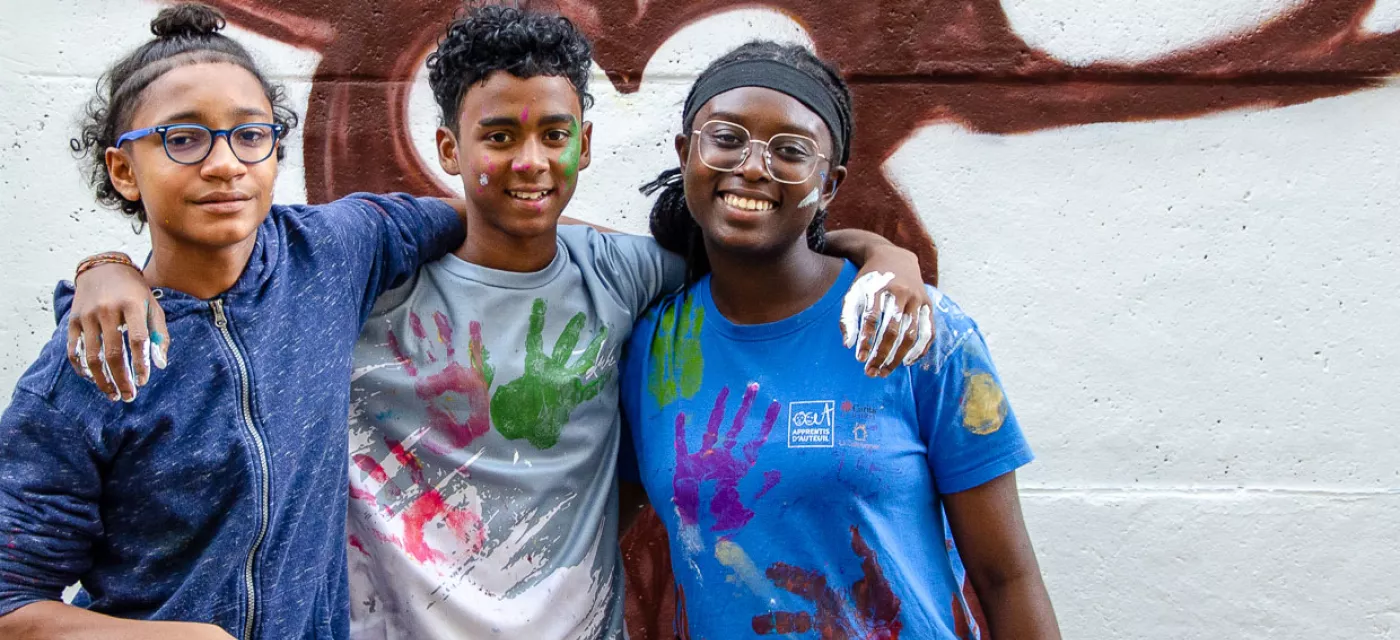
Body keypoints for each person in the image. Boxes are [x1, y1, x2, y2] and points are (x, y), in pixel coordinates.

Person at [59, 6, 934, 640]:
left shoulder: (629, 275)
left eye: (555, 134)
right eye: (498, 136)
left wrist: (884, 258)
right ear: (450, 151)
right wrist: (106, 269)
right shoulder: (363, 280)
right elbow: (222, 280)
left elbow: (764, 252)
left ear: (585, 145)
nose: (529, 161)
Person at [0, 5, 472, 639]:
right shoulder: (92, 363)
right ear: (123, 170)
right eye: (183, 139)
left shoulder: (331, 252)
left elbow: (496, 218)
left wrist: (646, 257)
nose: (225, 163)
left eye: (251, 134)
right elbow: (12, 604)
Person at [621, 41, 1062, 638]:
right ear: (685, 153)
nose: (752, 166)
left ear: (828, 185)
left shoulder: (917, 333)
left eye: (791, 151)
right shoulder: (651, 347)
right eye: (725, 138)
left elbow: (1007, 576)